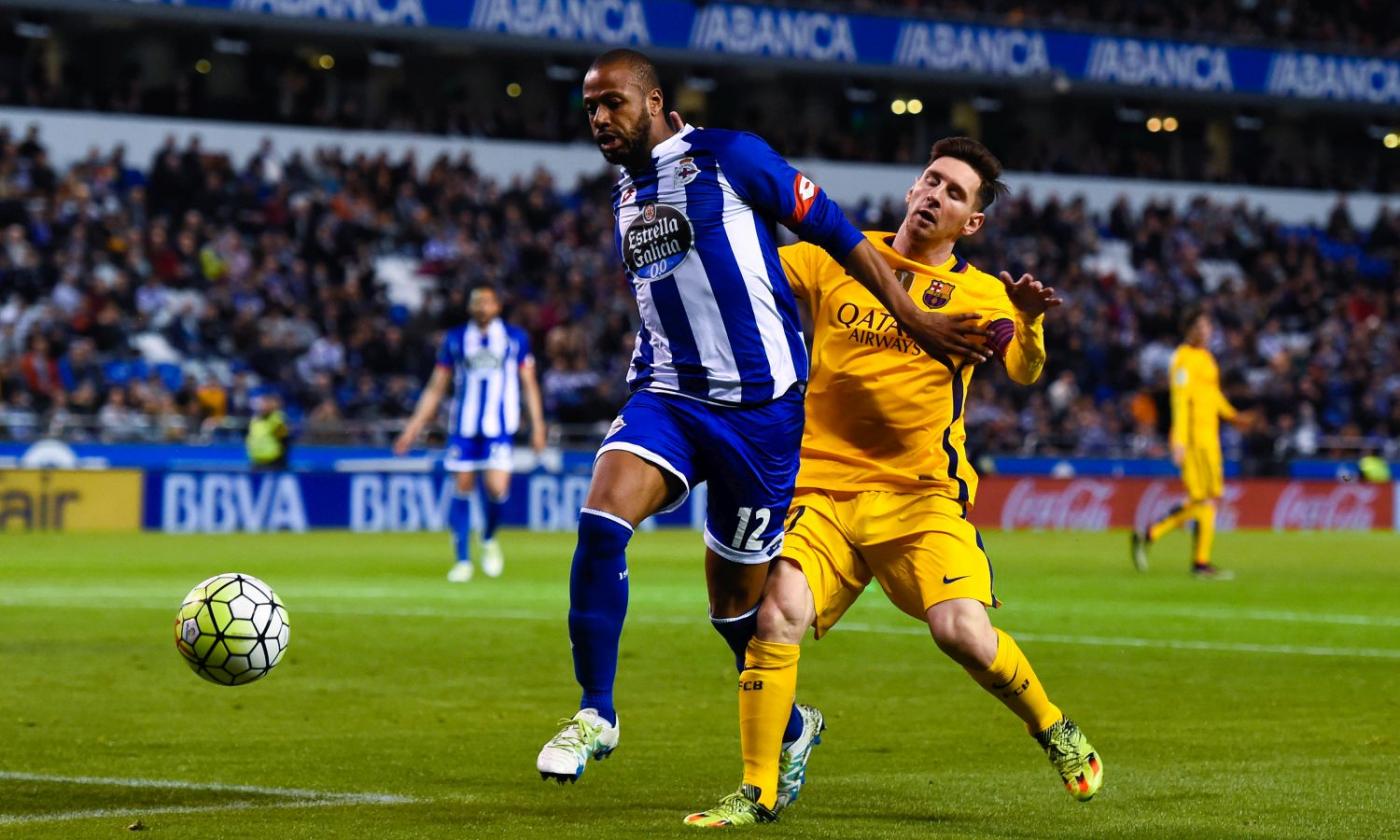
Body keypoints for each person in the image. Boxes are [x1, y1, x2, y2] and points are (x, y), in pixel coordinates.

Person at [535, 49, 993, 790]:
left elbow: (839, 234)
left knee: (734, 612)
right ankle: (597, 712)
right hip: (671, 397)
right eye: (589, 107)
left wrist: (911, 316)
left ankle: (791, 726)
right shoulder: (626, 189)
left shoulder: (732, 157)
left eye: (612, 103)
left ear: (653, 103)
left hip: (762, 416)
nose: (598, 119)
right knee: (600, 524)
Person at [685, 138, 1102, 828]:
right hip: (821, 489)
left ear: (971, 224)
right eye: (932, 181)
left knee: (962, 632)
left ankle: (1052, 725)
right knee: (775, 614)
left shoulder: (979, 293)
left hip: (920, 498)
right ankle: (757, 790)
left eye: (955, 193)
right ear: (912, 189)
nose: (937, 194)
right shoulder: (835, 254)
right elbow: (747, 277)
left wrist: (1027, 321)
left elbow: (1023, 371)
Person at [394, 285, 547, 582]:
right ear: (469, 307)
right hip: (463, 428)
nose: (481, 306)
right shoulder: (455, 339)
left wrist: (538, 426)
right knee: (461, 488)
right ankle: (462, 560)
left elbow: (529, 384)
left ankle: (488, 538)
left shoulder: (516, 339)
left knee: (497, 489)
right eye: (476, 301)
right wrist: (413, 428)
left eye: (487, 301)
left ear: (497, 306)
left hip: (499, 428)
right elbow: (436, 386)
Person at [1133, 310, 1246, 578]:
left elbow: (1213, 394)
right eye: (1200, 326)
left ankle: (1154, 536)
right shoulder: (1182, 358)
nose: (1206, 330)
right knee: (1202, 499)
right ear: (1189, 329)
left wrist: (1233, 415)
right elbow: (1180, 402)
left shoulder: (1207, 358)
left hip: (1211, 439)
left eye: (1208, 325)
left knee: (1208, 499)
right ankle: (1198, 562)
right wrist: (1180, 441)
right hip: (1193, 439)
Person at [246, 391, 290, 470]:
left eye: (267, 402)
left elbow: (284, 441)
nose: (264, 405)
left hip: (272, 464)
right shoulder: (255, 419)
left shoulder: (278, 419)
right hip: (256, 462)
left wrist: (282, 462)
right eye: (263, 402)